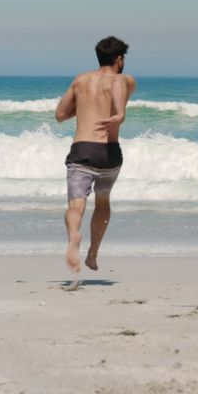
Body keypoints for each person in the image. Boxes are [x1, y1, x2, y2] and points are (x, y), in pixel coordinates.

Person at [55, 36, 136, 273]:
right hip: (109, 154)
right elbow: (117, 83)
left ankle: (73, 238)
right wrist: (119, 113)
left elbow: (60, 115)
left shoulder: (81, 81)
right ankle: (93, 254)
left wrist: (82, 109)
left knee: (75, 205)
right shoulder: (125, 79)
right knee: (102, 201)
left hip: (83, 151)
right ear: (119, 59)